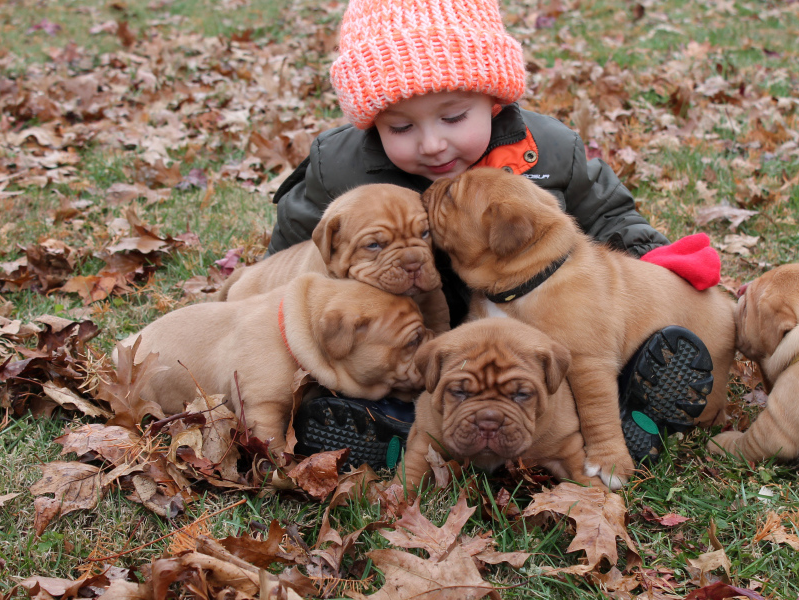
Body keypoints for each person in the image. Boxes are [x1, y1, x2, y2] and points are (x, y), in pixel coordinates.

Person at [267, 0, 721, 471]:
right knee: (380, 365)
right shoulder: (339, 167)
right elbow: (291, 251)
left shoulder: (549, 150)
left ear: (494, 99)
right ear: (371, 121)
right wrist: (272, 307)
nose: (432, 144)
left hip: (527, 339)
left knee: (583, 360)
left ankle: (626, 406)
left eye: (453, 118)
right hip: (413, 334)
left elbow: (608, 213)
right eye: (400, 126)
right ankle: (385, 421)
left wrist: (652, 254)